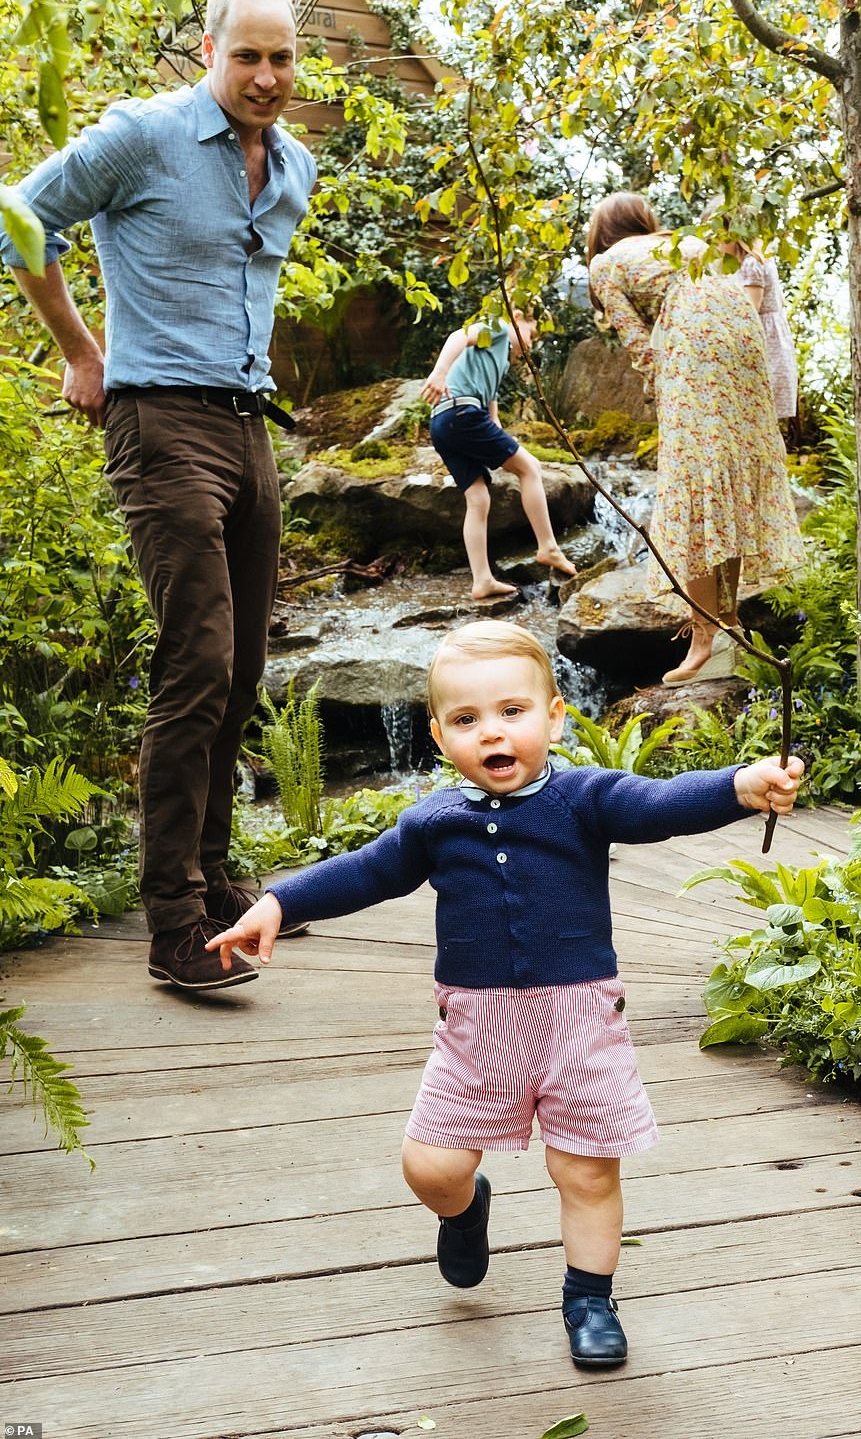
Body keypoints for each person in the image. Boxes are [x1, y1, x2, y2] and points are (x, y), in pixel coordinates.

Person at [206, 619, 804, 1367]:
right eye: (467, 718)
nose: (492, 731)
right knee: (432, 1167)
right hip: (475, 1031)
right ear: (438, 734)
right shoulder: (433, 822)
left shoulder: (586, 797)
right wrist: (280, 903)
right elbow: (365, 870)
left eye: (512, 712)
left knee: (584, 1169)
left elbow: (658, 804)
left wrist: (739, 785)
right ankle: (465, 1210)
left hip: (579, 1021)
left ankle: (589, 1295)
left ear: (554, 716)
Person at [0, 0, 317, 992]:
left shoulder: (295, 169)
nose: (265, 75)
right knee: (199, 658)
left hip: (246, 426)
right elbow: (20, 218)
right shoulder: (144, 135)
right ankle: (173, 923)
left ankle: (214, 878)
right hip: (158, 423)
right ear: (210, 50)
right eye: (247, 56)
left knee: (244, 664)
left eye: (281, 58)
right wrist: (81, 350)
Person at [586, 193, 805, 687]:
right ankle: (729, 627)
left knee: (695, 495)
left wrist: (664, 387)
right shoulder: (679, 242)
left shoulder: (605, 262)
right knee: (724, 487)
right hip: (739, 333)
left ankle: (705, 641)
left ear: (601, 233)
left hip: (693, 341)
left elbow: (637, 341)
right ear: (645, 221)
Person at [421, 311, 576, 601]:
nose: (531, 344)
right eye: (532, 333)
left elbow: (488, 393)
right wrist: (439, 372)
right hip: (462, 412)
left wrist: (494, 422)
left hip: (443, 423)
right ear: (517, 317)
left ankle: (482, 580)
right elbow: (459, 336)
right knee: (529, 468)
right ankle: (548, 546)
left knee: (478, 498)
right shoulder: (499, 328)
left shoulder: (499, 355)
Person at [723, 238, 799, 420]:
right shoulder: (758, 259)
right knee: (763, 421)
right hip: (774, 338)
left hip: (762, 343)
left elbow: (749, 312)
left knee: (759, 416)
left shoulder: (751, 264)